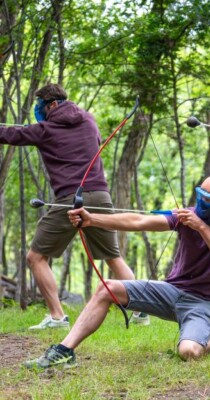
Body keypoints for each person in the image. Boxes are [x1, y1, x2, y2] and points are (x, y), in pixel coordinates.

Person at [23, 173, 210, 369]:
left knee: (189, 352)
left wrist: (201, 227)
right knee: (107, 288)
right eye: (199, 194)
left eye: (208, 199)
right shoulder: (186, 215)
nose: (200, 202)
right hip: (170, 291)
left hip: (204, 301)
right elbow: (139, 221)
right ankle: (64, 351)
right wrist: (92, 220)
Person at [0, 83, 148, 329]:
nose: (39, 111)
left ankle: (57, 317)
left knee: (35, 257)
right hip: (100, 196)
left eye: (41, 106)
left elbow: (11, 135)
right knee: (113, 256)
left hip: (71, 199)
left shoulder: (44, 129)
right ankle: (142, 310)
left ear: (53, 104)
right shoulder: (88, 120)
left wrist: (36, 130)